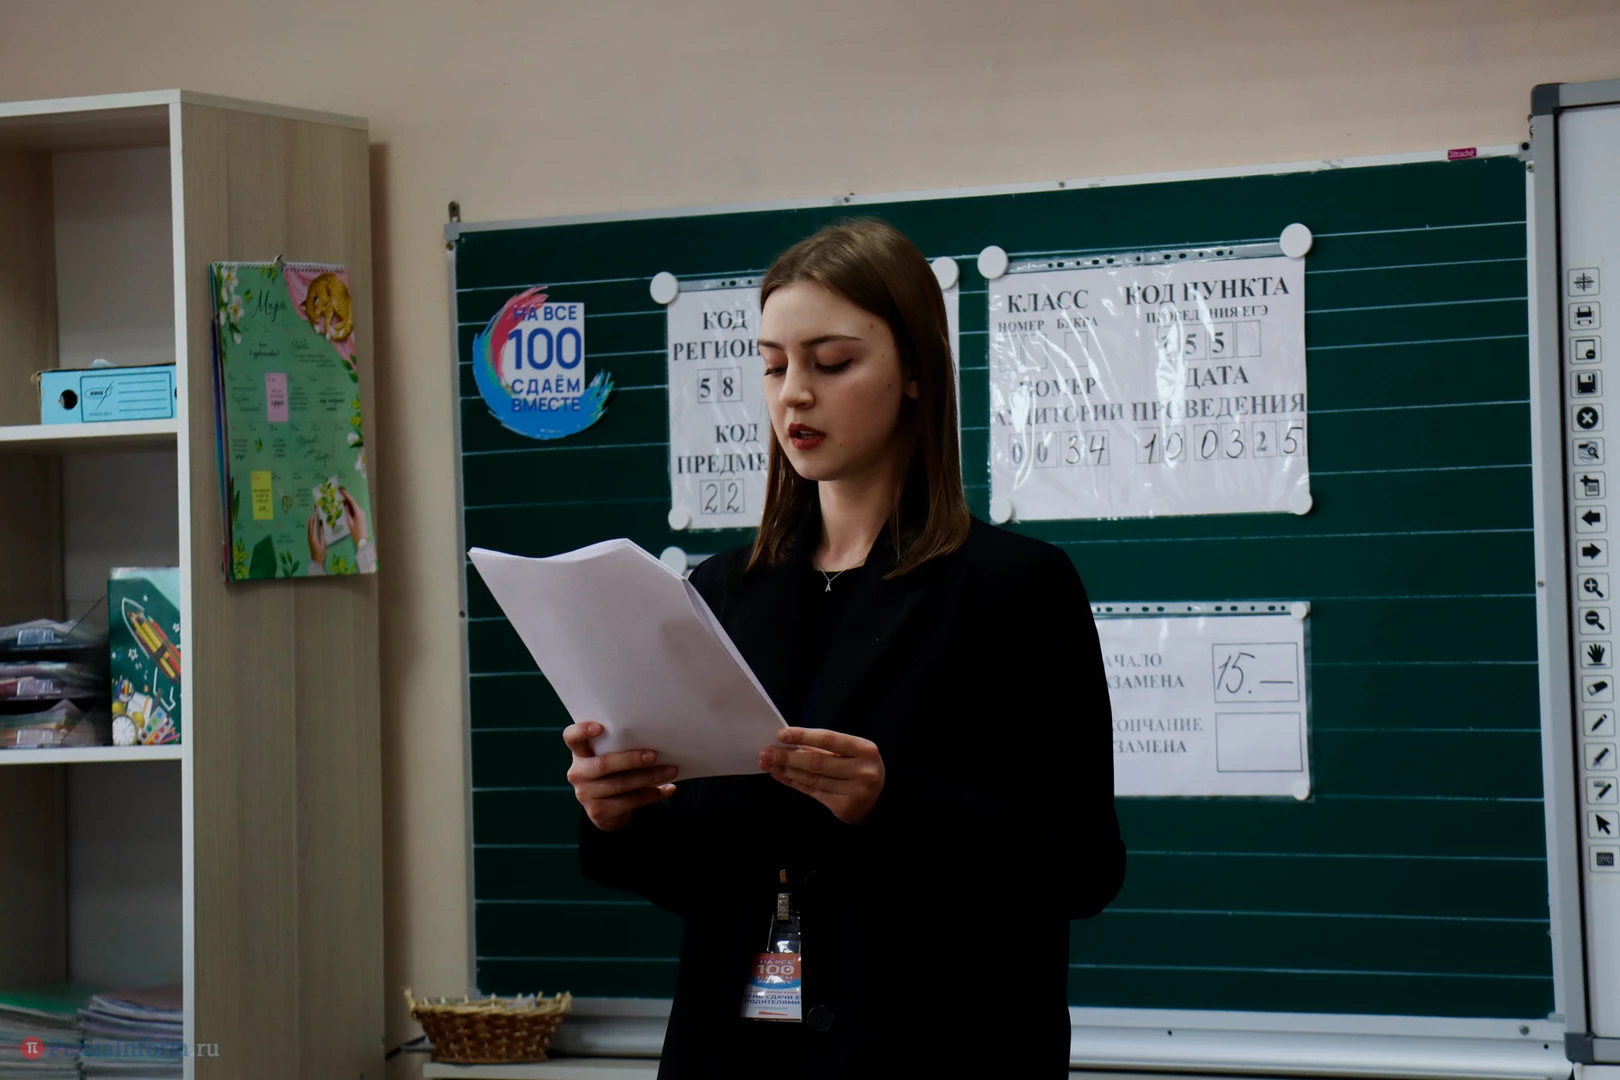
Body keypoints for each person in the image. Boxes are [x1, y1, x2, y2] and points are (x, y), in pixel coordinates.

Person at [562, 219, 1124, 1078]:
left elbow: (1082, 867)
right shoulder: (721, 593)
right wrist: (619, 813)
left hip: (933, 1057)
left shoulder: (1014, 587)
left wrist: (891, 802)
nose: (794, 395)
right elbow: (708, 876)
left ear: (915, 373)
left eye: (830, 363)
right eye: (773, 365)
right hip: (740, 1055)